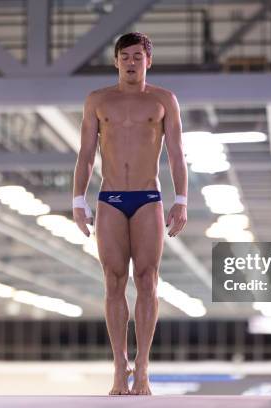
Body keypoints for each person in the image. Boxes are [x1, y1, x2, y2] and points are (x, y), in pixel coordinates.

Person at [72, 32, 188, 395]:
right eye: (125, 56)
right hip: (110, 198)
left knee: (148, 279)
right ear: (116, 60)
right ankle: (119, 370)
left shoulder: (163, 100)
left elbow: (176, 154)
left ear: (148, 61)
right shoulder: (97, 100)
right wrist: (78, 200)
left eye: (138, 56)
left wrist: (181, 199)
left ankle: (143, 369)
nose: (131, 62)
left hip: (148, 198)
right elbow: (86, 154)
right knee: (113, 279)